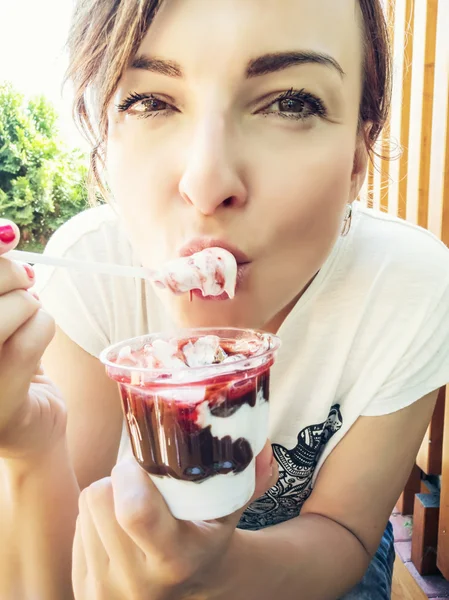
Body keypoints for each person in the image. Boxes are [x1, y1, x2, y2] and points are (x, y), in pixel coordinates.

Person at [0, 0, 448, 598]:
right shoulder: (87, 269)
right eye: (150, 101)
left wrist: (219, 574)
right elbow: (58, 571)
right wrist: (28, 450)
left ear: (357, 159)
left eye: (292, 102)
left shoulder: (410, 286)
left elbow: (341, 528)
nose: (206, 184)